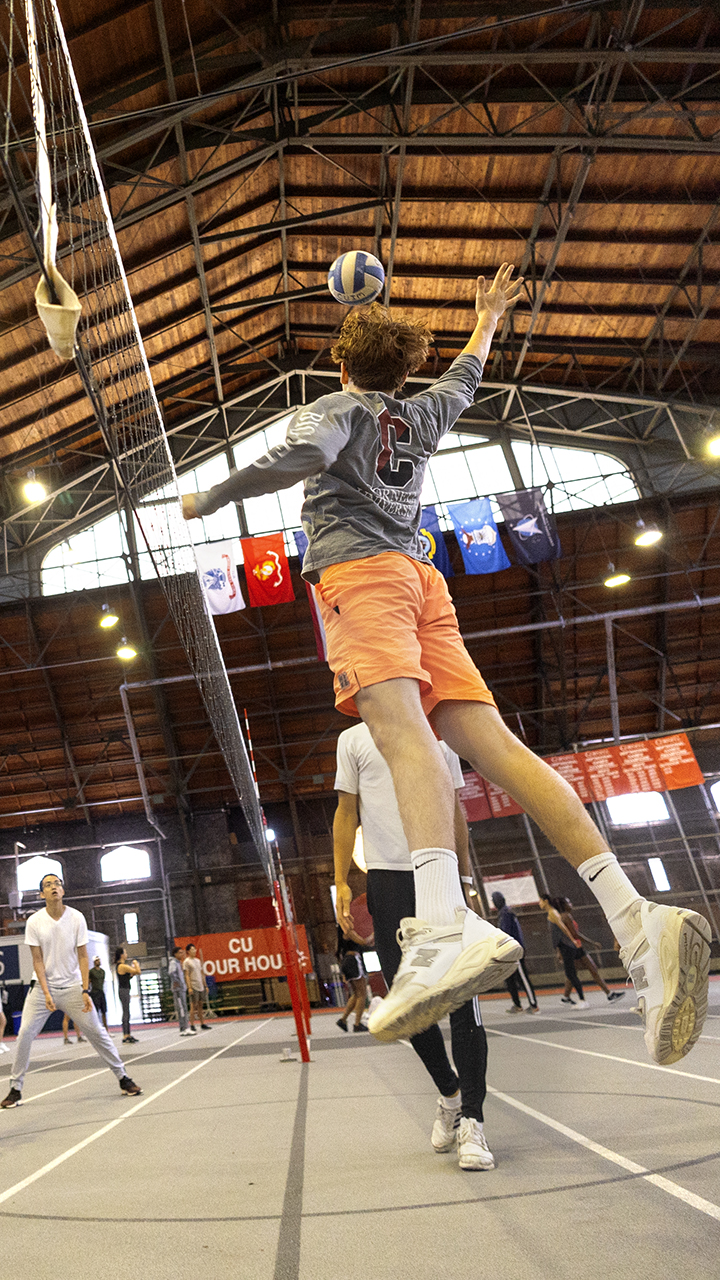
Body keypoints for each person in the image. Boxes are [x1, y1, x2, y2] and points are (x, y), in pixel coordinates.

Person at [183, 265, 710, 1067]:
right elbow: (468, 371)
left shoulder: (335, 408)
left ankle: (438, 929)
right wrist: (488, 316)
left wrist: (213, 497)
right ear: (402, 368)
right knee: (500, 751)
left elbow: (303, 456)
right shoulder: (425, 409)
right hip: (424, 582)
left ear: (339, 365)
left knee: (402, 739)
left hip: (361, 580)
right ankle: (638, 921)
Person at [334, 722, 494, 1171]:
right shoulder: (353, 740)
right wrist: (340, 881)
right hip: (387, 881)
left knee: (463, 996)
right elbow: (346, 812)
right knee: (408, 1000)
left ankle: (474, 1124)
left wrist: (465, 875)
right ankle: (450, 1094)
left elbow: (454, 808)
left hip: (440, 871)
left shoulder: (441, 734)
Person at [1, 873, 141, 1108]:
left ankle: (123, 1078)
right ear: (41, 894)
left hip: (73, 988)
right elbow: (37, 961)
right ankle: (15, 1088)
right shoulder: (35, 922)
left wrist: (85, 990)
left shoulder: (77, 917)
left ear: (63, 891)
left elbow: (83, 956)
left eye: (57, 883)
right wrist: (46, 993)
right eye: (48, 885)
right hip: (42, 988)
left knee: (97, 1031)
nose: (54, 887)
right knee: (24, 1033)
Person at [554, 897, 625, 1004]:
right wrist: (592, 943)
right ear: (563, 905)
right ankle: (609, 994)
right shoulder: (566, 916)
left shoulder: (561, 917)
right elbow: (574, 934)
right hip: (575, 948)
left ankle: (566, 997)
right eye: (568, 902)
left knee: (574, 974)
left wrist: (559, 951)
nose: (571, 904)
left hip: (574, 948)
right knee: (591, 970)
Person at [491, 892, 538, 1014]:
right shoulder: (503, 913)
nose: (495, 902)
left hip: (514, 950)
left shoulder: (506, 913)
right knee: (509, 978)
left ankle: (534, 1005)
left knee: (522, 977)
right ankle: (517, 1004)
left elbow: (506, 933)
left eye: (496, 900)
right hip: (507, 952)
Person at [336, 920, 373, 1033]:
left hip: (347, 962)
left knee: (356, 994)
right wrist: (374, 933)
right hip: (353, 961)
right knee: (362, 994)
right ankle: (357, 1024)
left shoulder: (342, 937)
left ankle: (343, 1020)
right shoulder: (349, 932)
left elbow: (363, 944)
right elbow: (363, 941)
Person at [168, 945, 196, 1037]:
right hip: (178, 989)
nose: (182, 954)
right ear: (175, 954)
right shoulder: (173, 962)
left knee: (184, 1007)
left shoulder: (178, 962)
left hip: (182, 988)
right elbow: (171, 973)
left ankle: (185, 1027)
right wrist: (176, 982)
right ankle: (184, 1028)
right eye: (180, 953)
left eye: (182, 952)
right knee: (182, 1009)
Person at [115, 947, 141, 1044]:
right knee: (126, 1012)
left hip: (125, 989)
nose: (126, 954)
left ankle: (128, 1034)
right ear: (121, 955)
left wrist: (132, 973)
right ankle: (125, 1035)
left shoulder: (122, 966)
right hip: (123, 991)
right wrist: (136, 963)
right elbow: (138, 971)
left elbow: (128, 977)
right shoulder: (122, 966)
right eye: (125, 953)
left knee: (127, 1012)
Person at [183, 944, 210, 1032]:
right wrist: (189, 987)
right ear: (188, 951)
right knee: (193, 1006)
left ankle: (202, 1023)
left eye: (195, 949)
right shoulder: (186, 962)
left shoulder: (198, 961)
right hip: (193, 986)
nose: (194, 951)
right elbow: (187, 975)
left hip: (200, 986)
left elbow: (202, 974)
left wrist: (205, 985)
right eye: (192, 949)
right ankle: (192, 1025)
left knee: (200, 1005)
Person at [88, 955, 109, 1030]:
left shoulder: (102, 972)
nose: (98, 962)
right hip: (94, 993)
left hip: (101, 992)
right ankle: (96, 1028)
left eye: (99, 960)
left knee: (104, 1011)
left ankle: (106, 1029)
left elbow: (102, 981)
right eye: (97, 960)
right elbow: (89, 982)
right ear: (94, 962)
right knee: (96, 1012)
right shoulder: (91, 972)